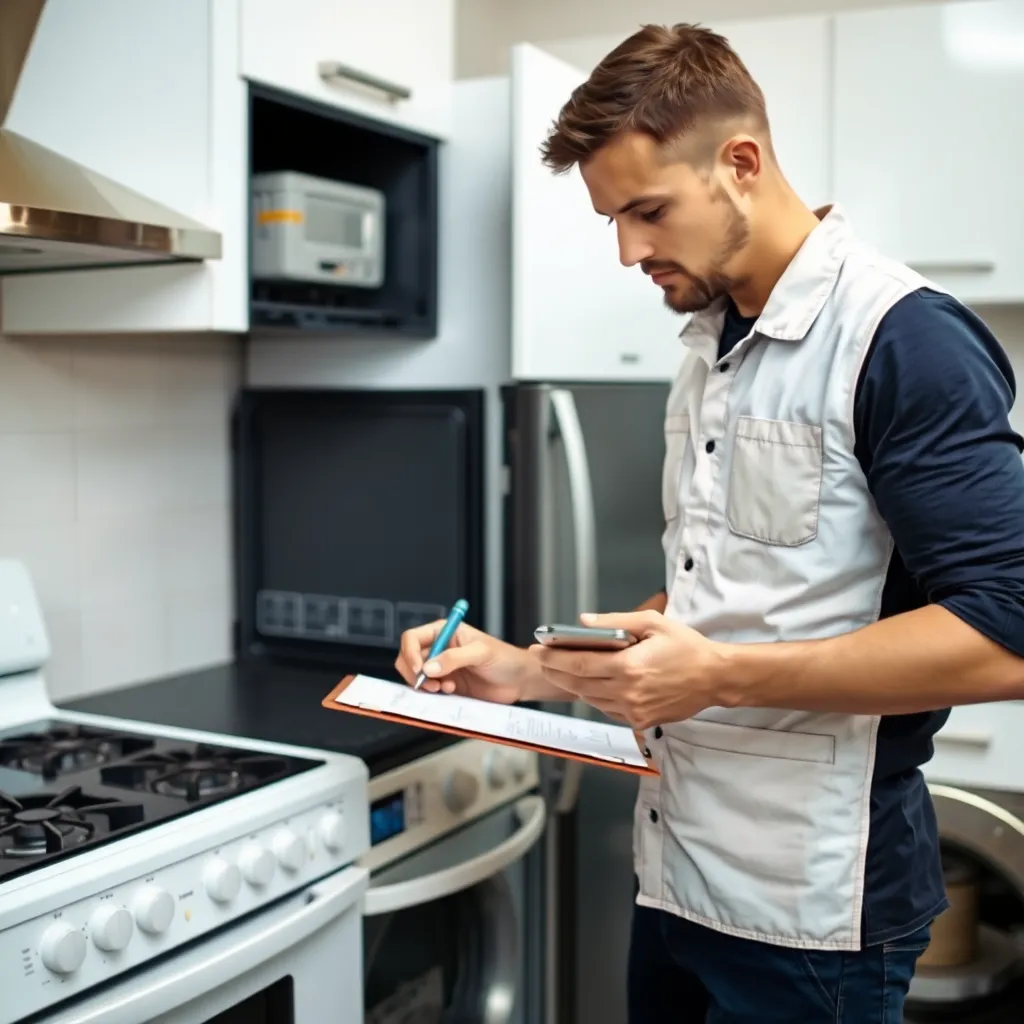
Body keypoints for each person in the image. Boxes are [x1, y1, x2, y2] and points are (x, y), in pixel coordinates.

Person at [395, 22, 1024, 1024]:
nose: (628, 250)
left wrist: (721, 675)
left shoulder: (903, 339)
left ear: (740, 163)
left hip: (814, 914)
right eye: (613, 219)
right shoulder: (709, 344)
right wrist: (527, 669)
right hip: (677, 877)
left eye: (647, 211)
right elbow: (716, 605)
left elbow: (1006, 636)